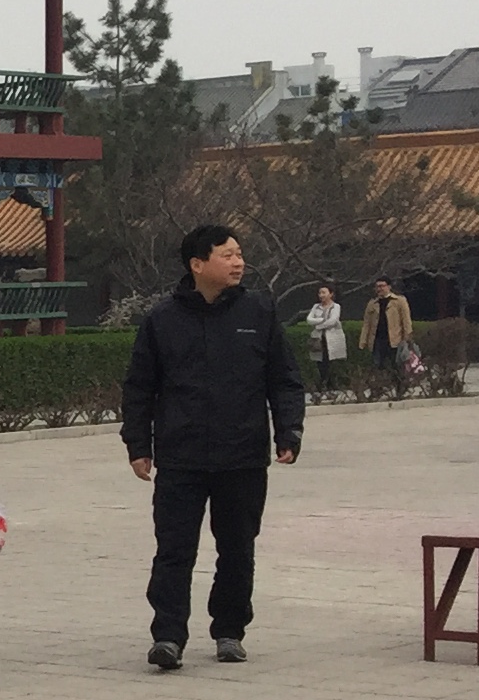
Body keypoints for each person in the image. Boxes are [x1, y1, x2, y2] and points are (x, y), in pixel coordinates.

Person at [126, 224, 306, 672]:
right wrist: (138, 444)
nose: (238, 262)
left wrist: (289, 431)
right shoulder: (163, 319)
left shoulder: (258, 312)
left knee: (237, 548)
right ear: (197, 264)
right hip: (181, 456)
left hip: (242, 455)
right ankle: (168, 637)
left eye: (239, 254)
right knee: (174, 550)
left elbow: (284, 379)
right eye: (227, 255)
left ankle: (230, 630)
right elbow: (139, 387)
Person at [363, 277, 416, 389]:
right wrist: (363, 341)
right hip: (377, 340)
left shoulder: (399, 301)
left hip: (395, 340)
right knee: (378, 365)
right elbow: (367, 323)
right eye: (377, 286)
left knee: (396, 365)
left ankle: (399, 388)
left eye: (382, 286)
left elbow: (406, 321)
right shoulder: (372, 303)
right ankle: (379, 388)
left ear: (389, 287)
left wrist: (407, 338)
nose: (379, 289)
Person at [304, 284, 347, 387]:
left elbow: (333, 321)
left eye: (324, 292)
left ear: (331, 294)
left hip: (332, 338)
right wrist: (322, 320)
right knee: (320, 361)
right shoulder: (316, 306)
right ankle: (323, 382)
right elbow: (309, 320)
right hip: (318, 339)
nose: (321, 295)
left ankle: (333, 384)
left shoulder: (336, 306)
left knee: (332, 361)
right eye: (320, 293)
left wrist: (318, 325)